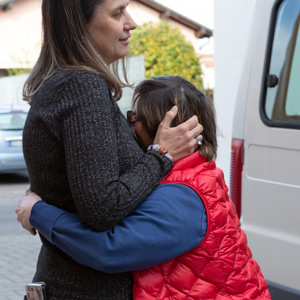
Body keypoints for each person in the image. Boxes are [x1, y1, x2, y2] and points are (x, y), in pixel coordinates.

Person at [17, 76, 271, 300]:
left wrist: (38, 212)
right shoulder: (193, 174)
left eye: (133, 117)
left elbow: (110, 250)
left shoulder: (183, 196)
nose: (128, 128)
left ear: (167, 127)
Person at [20, 0, 202, 299]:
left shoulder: (63, 84)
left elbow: (74, 181)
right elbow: (102, 207)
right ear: (79, 24)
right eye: (118, 13)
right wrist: (161, 154)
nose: (131, 23)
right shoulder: (81, 85)